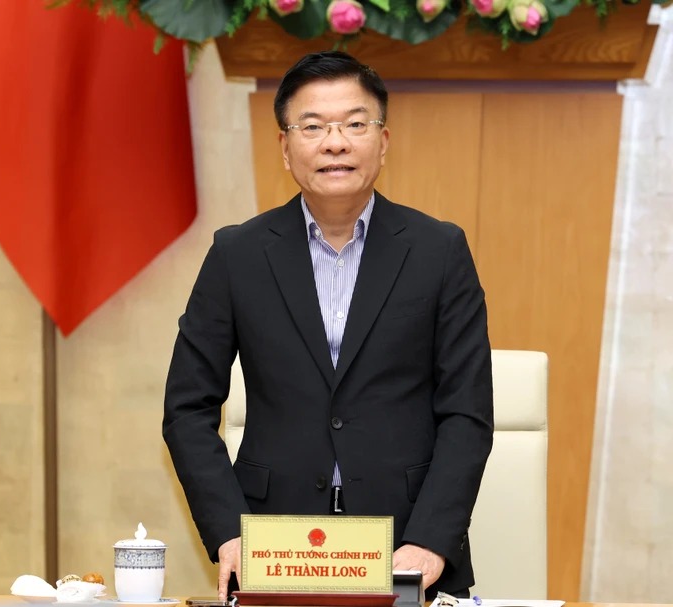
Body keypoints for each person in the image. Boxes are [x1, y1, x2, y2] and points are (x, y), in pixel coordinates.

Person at [163, 50, 494, 601]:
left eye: (355, 124)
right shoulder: (237, 255)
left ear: (383, 141)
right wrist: (229, 532)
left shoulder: (439, 251)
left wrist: (431, 541)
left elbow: (467, 411)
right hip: (273, 546)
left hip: (407, 547)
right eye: (313, 126)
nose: (335, 143)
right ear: (285, 147)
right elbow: (186, 409)